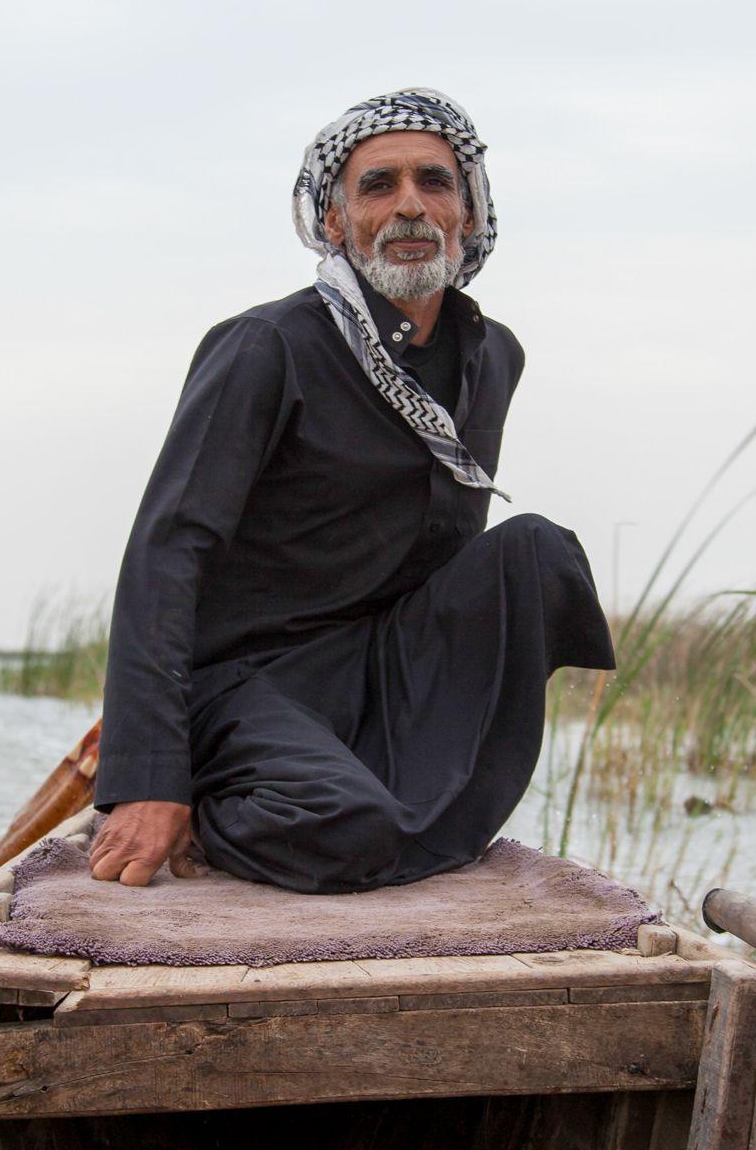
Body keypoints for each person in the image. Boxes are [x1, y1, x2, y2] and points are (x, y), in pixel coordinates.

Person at [87, 88, 615, 894]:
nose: (410, 206)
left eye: (435, 183)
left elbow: (440, 564)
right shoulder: (268, 348)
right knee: (351, 830)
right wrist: (152, 775)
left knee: (537, 550)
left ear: (468, 213)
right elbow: (167, 554)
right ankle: (227, 792)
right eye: (378, 186)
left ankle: (410, 811)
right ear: (335, 222)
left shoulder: (492, 356)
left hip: (381, 673)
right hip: (250, 682)